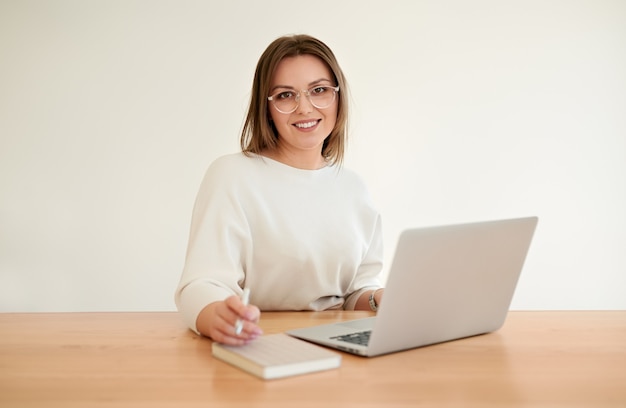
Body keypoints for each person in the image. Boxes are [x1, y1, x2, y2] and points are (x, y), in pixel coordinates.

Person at [175, 34, 384, 346]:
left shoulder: (353, 187)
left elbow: (356, 291)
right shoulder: (232, 175)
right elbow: (200, 284)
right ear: (267, 107)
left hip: (339, 346)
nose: (305, 107)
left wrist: (379, 298)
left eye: (319, 90)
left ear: (338, 96)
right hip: (261, 341)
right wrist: (215, 314)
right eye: (286, 95)